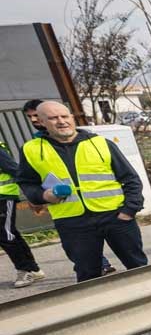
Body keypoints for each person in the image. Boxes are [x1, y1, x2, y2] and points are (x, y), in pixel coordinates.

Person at [16, 101, 149, 281]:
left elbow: (131, 179)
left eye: (64, 116)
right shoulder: (31, 150)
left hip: (115, 216)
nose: (61, 121)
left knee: (139, 268)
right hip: (72, 222)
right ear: (41, 122)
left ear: (72, 117)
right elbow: (27, 183)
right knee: (88, 276)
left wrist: (129, 210)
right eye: (53, 118)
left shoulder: (101, 143)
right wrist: (42, 196)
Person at [23, 99, 117, 274]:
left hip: (104, 208)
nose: (34, 120)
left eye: (37, 115)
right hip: (69, 212)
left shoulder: (88, 140)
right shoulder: (33, 146)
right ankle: (100, 265)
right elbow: (29, 179)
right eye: (31, 117)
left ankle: (102, 264)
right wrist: (39, 196)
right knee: (84, 262)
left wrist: (129, 208)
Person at [1, 136, 45, 287]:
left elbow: (14, 169)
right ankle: (33, 269)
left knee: (6, 236)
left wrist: (31, 195)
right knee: (10, 233)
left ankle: (25, 270)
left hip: (3, 196)